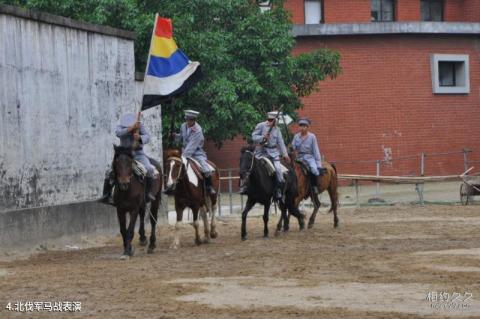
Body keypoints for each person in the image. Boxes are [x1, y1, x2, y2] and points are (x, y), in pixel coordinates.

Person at [100, 112, 158, 204]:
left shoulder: (140, 125)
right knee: (109, 172)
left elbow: (147, 137)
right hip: (124, 155)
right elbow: (118, 133)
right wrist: (130, 128)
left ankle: (147, 194)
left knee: (149, 169)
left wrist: (139, 137)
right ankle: (107, 195)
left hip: (138, 154)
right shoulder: (121, 127)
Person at [173, 110, 216, 195]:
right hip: (184, 151)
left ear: (194, 120)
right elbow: (182, 137)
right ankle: (172, 185)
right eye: (187, 119)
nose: (189, 121)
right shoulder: (183, 126)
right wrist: (175, 136)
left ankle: (209, 187)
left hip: (196, 153)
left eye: (191, 120)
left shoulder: (198, 130)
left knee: (206, 170)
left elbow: (192, 146)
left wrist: (183, 157)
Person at [251, 111, 290, 200]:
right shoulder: (260, 125)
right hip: (261, 152)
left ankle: (279, 190)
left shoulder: (277, 129)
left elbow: (281, 143)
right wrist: (263, 137)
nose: (273, 122)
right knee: (251, 167)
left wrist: (285, 154)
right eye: (273, 120)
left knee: (278, 170)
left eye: (274, 120)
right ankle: (247, 187)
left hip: (273, 153)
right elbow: (253, 136)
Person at [292, 118, 327, 194]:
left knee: (314, 170)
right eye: (301, 126)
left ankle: (315, 186)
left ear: (307, 127)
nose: (302, 127)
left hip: (309, 157)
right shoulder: (296, 136)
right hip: (299, 158)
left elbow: (316, 150)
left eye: (304, 126)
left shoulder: (312, 136)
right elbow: (293, 147)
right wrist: (292, 148)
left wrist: (318, 164)